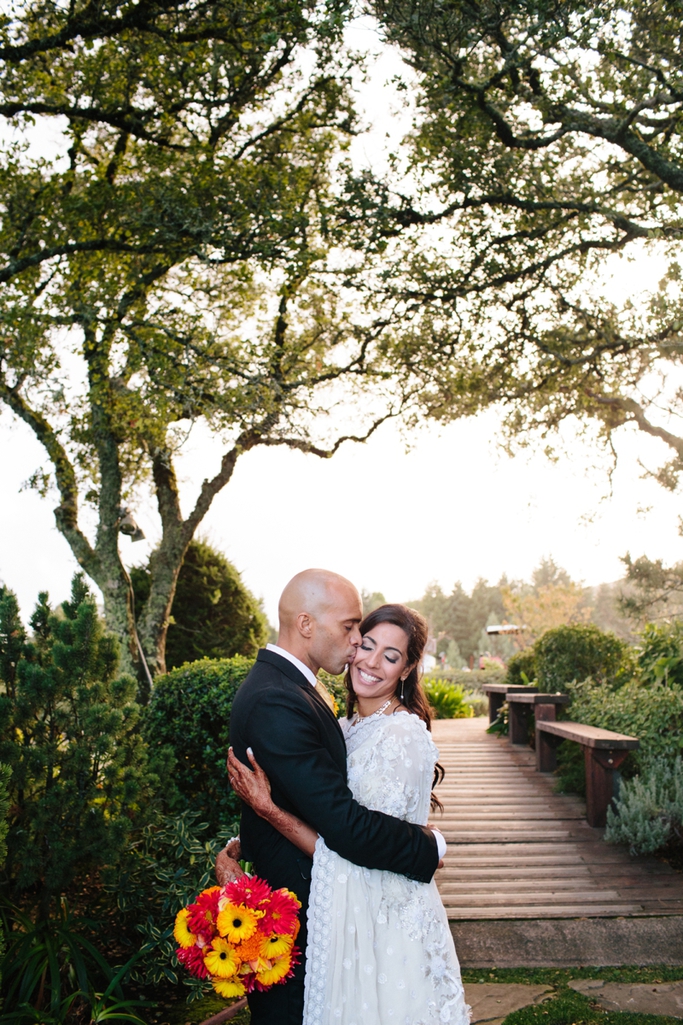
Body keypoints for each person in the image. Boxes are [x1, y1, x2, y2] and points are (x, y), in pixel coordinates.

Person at [220, 570, 448, 1025]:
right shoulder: (278, 699)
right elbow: (343, 822)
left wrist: (264, 814)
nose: (357, 644)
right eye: (352, 630)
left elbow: (320, 806)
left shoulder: (302, 693)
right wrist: (429, 847)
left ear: (406, 669)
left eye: (387, 653)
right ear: (307, 625)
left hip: (361, 912)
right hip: (310, 911)